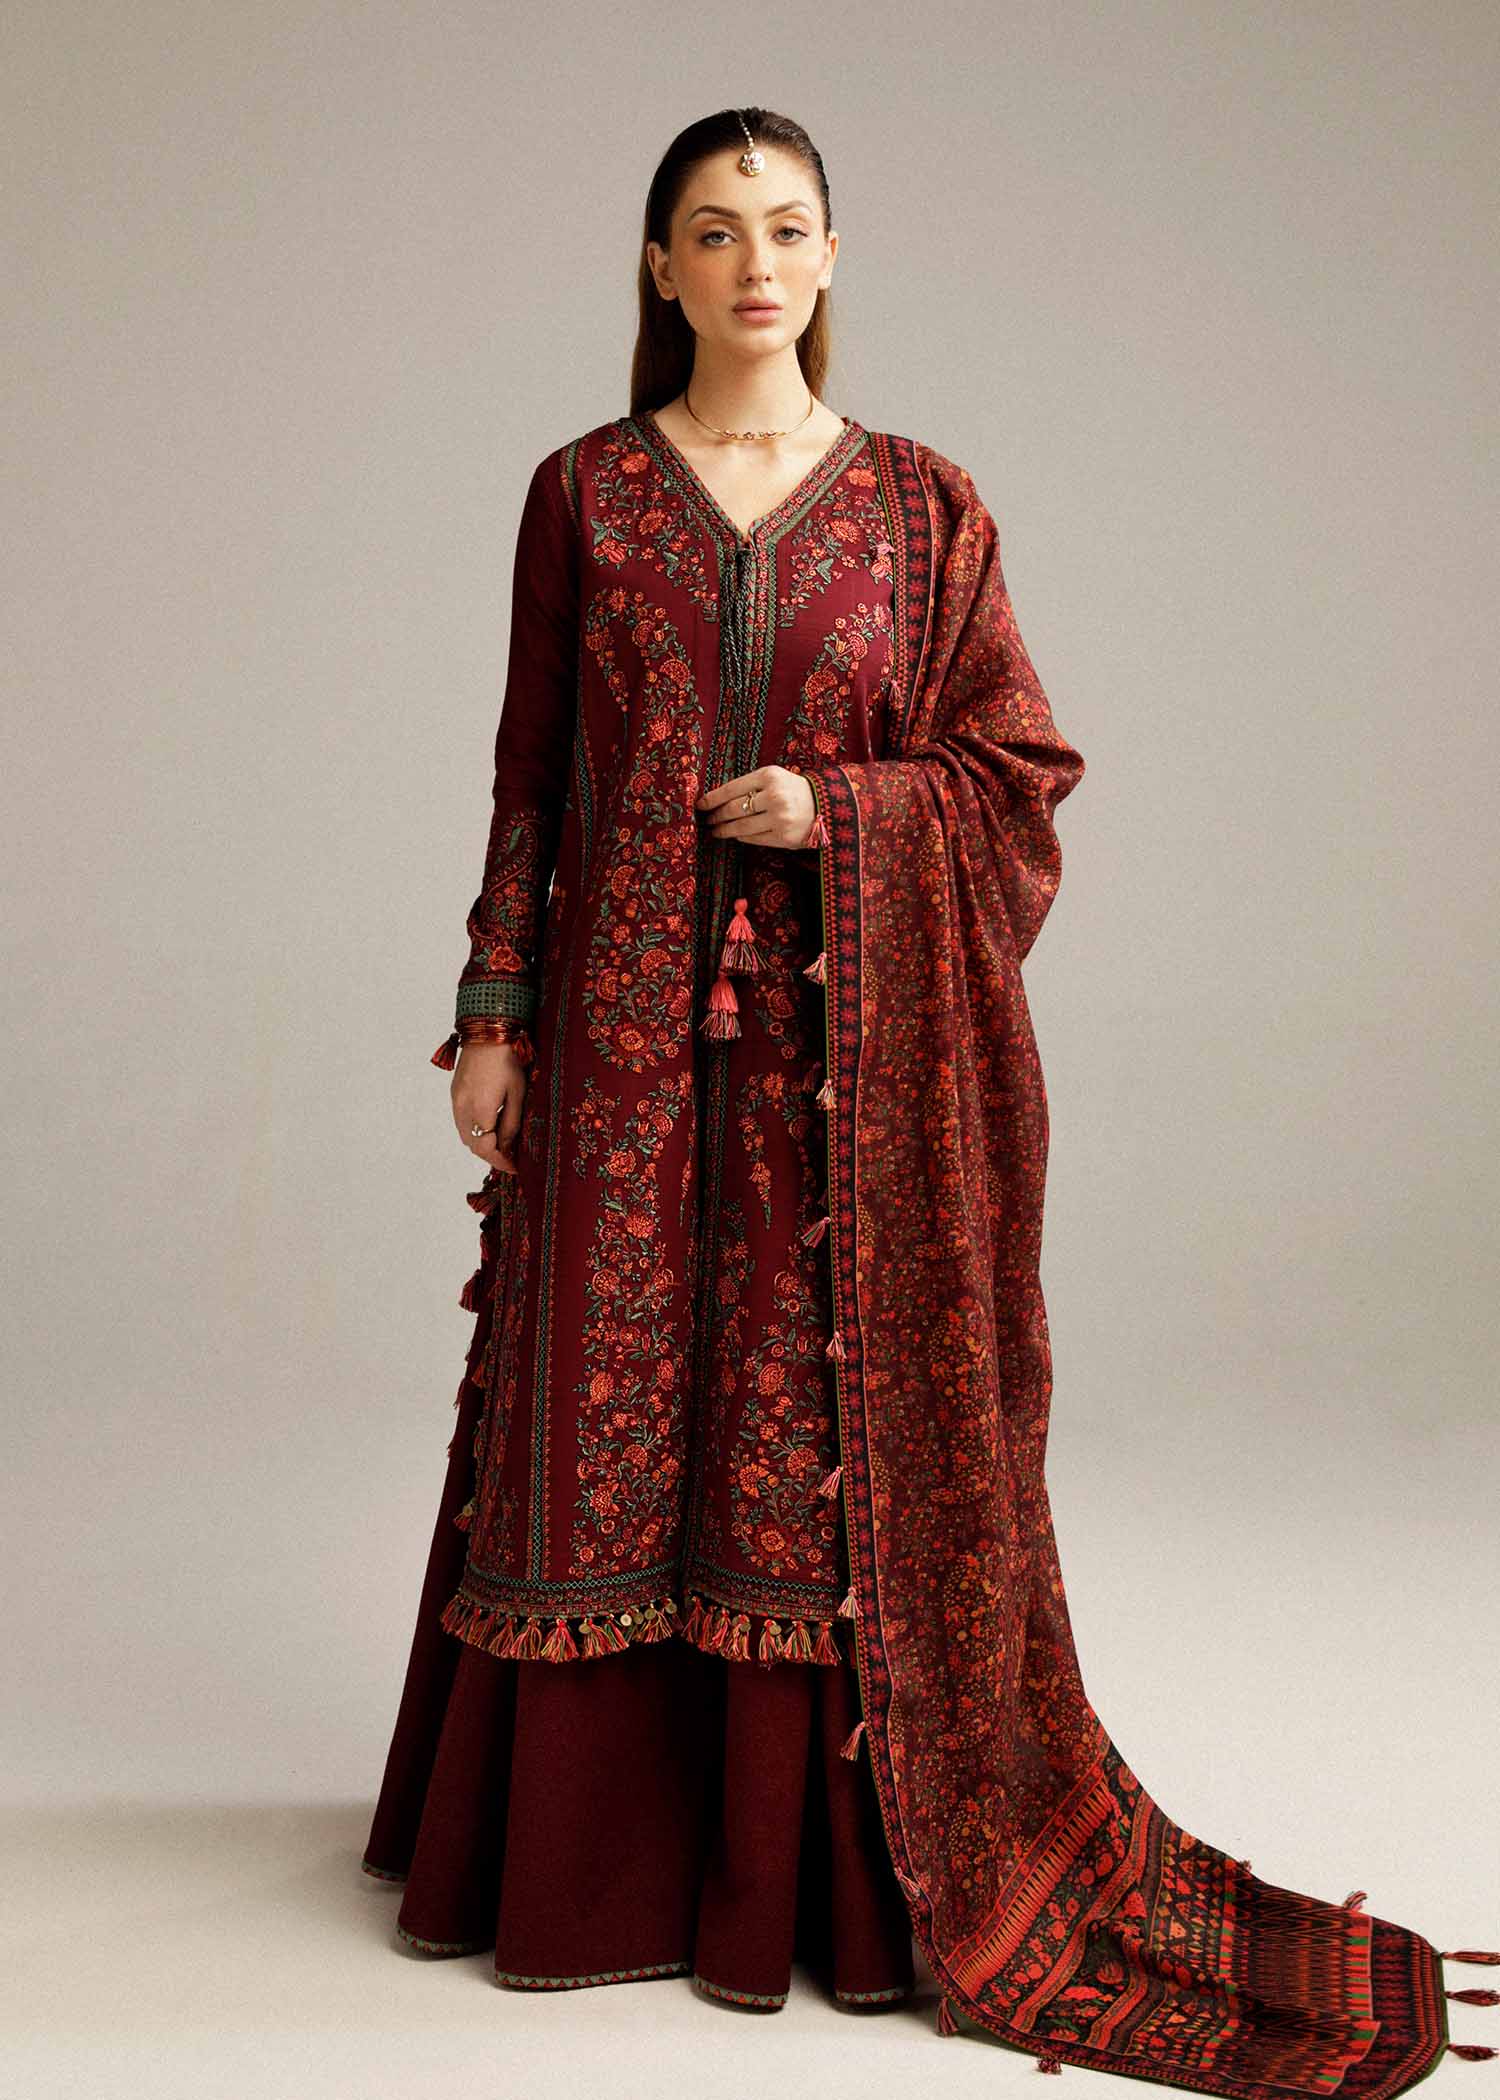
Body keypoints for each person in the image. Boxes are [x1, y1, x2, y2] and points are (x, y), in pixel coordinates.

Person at [362, 106, 1496, 2083]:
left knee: (794, 1431)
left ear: (830, 254)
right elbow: (532, 772)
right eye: (715, 230)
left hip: (838, 1083)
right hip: (620, 1055)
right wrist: (496, 1013)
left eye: (788, 226)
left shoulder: (921, 507)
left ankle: (800, 1884)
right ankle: (588, 1870)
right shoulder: (587, 495)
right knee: (597, 1415)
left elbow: (1018, 771)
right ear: (660, 267)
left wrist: (844, 814)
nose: (755, 263)